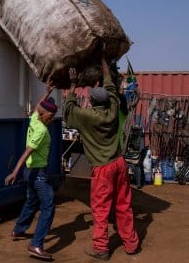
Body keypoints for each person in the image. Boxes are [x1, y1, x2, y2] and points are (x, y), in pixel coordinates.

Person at [63, 58, 140, 261]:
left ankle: (101, 248)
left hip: (103, 169)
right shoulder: (113, 111)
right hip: (119, 164)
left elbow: (68, 111)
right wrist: (106, 67)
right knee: (124, 205)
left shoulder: (86, 117)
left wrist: (72, 85)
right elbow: (112, 91)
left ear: (93, 102)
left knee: (100, 209)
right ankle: (131, 244)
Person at [5, 82, 58, 260]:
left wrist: (47, 93)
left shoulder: (35, 118)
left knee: (31, 202)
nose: (51, 119)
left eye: (53, 117)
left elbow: (37, 107)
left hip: (30, 173)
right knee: (48, 206)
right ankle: (36, 245)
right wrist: (14, 172)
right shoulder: (41, 131)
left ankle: (18, 230)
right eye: (50, 116)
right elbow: (27, 150)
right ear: (43, 115)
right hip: (37, 174)